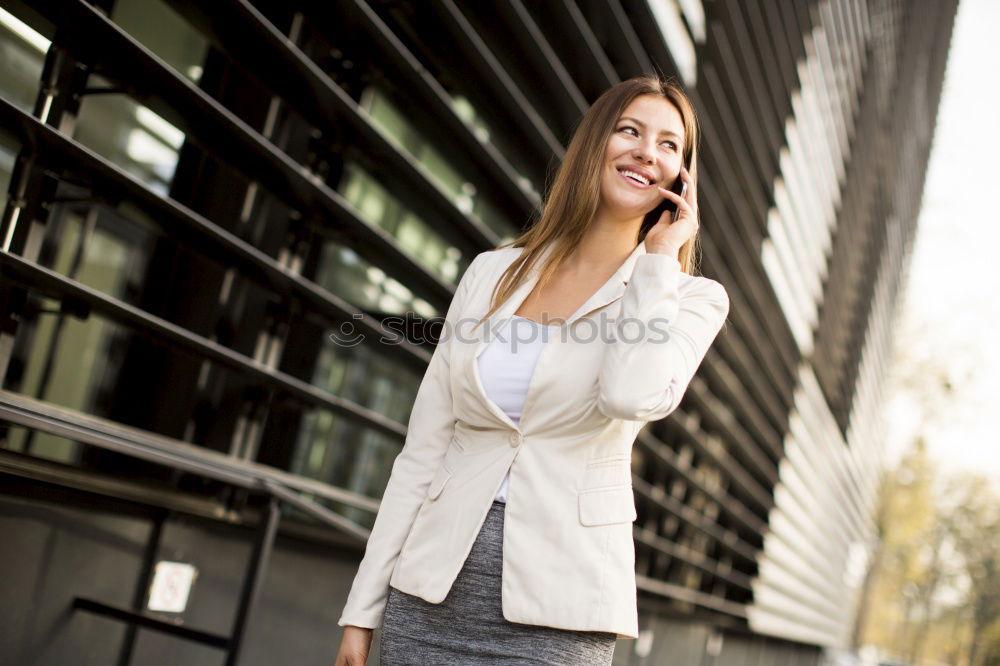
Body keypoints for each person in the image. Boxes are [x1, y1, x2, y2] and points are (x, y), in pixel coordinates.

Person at [334, 74, 730, 665]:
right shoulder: (492, 273)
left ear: (681, 178)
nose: (648, 151)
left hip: (560, 612)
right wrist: (361, 612)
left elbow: (628, 395)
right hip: (428, 591)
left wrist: (658, 264)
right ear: (594, 144)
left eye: (669, 144)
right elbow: (423, 450)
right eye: (630, 130)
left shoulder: (690, 298)